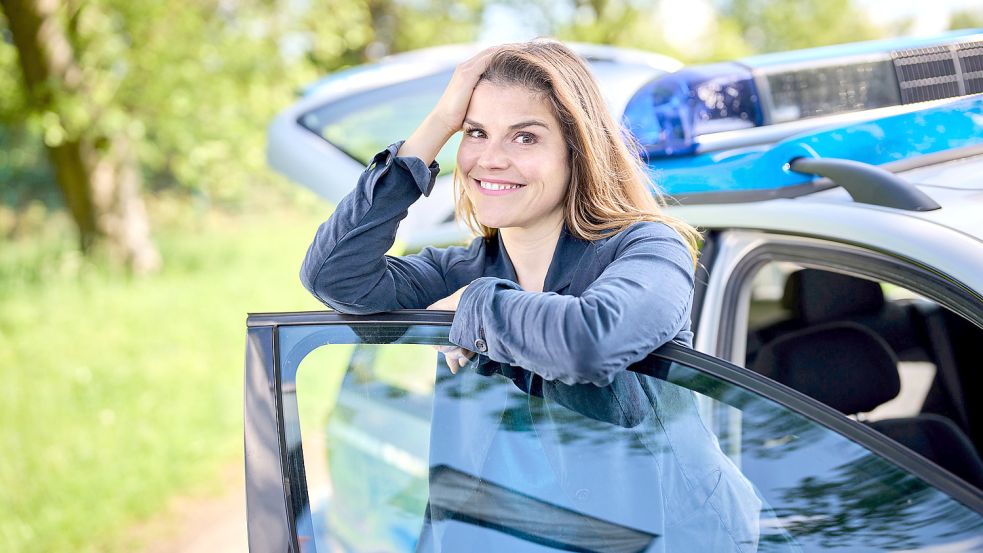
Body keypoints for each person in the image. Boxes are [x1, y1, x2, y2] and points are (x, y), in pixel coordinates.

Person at [301, 40, 763, 552]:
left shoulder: (647, 247)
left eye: (525, 137)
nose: (491, 159)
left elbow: (592, 341)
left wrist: (475, 306)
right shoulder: (466, 266)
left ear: (577, 150)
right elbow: (332, 276)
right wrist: (437, 123)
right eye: (476, 133)